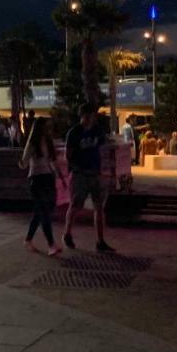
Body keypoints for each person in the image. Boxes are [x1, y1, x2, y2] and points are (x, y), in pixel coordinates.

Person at [63, 104, 114, 252]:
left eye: (93, 115)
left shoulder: (98, 131)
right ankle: (67, 233)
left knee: (99, 207)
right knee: (75, 204)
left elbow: (103, 147)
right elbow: (68, 154)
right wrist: (75, 169)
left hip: (95, 173)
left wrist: (102, 169)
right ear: (83, 116)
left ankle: (100, 240)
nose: (92, 118)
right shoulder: (74, 132)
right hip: (80, 174)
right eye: (90, 115)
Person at [20, 117, 63, 255]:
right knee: (44, 211)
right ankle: (51, 244)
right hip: (37, 178)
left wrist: (59, 174)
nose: (48, 129)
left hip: (47, 176)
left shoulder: (48, 142)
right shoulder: (33, 143)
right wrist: (21, 163)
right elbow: (25, 162)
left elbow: (53, 160)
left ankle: (28, 239)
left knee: (43, 209)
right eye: (46, 127)